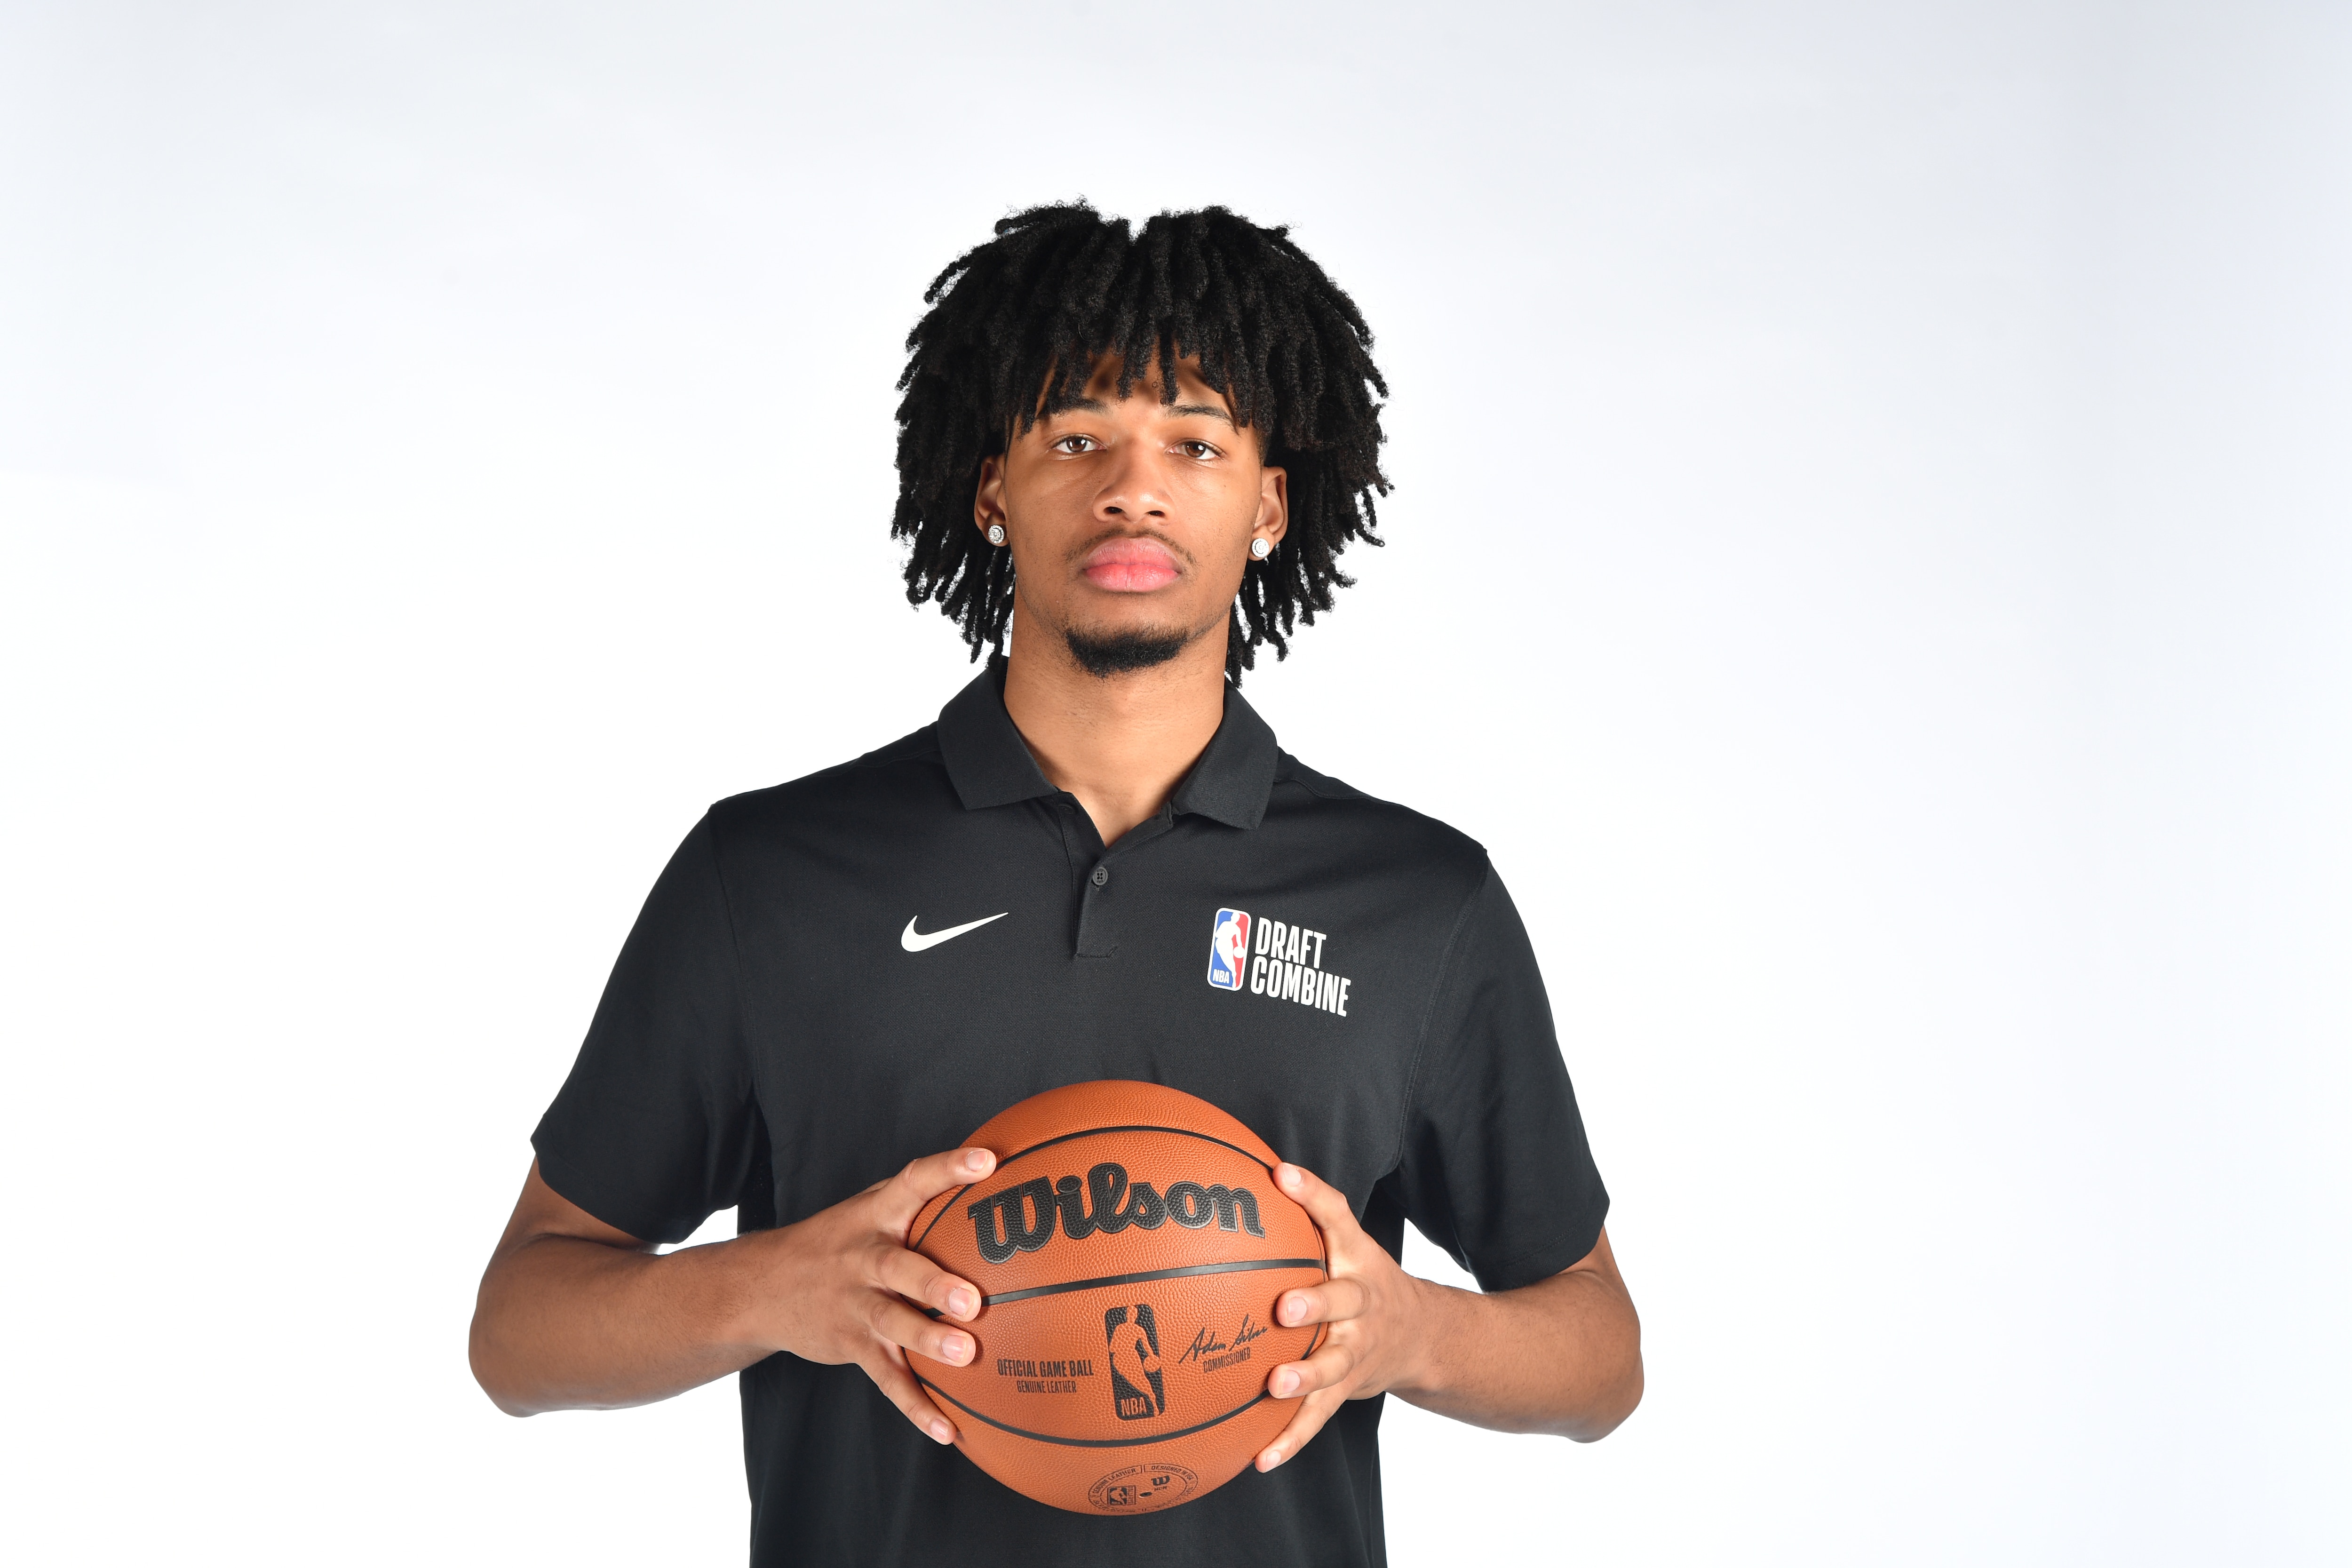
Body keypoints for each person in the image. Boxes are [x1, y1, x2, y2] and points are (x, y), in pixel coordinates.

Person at [469, 202, 1642, 1567]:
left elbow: (1598, 1353)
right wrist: (773, 1289)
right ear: (990, 488)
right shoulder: (772, 874)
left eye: (1195, 445)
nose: (1132, 488)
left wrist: (1412, 1332)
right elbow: (520, 1331)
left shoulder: (1417, 902)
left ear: (1270, 502)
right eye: (1075, 439)